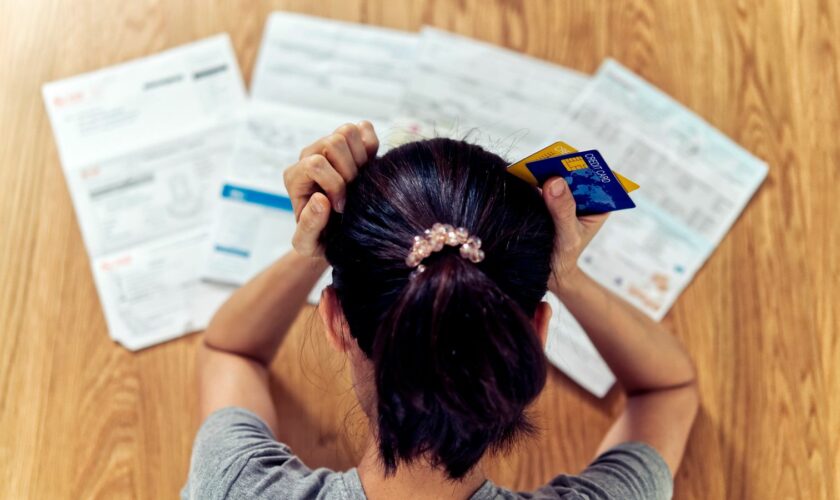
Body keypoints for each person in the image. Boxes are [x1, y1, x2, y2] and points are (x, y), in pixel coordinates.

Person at [184, 122, 699, 499]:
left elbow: (230, 348)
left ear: (334, 320)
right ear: (536, 332)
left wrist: (312, 244)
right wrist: (565, 275)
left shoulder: (236, 489)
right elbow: (668, 389)